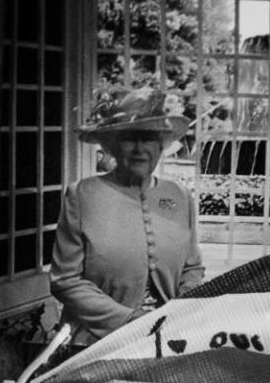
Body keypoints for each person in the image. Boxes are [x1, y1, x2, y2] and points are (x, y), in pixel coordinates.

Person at [50, 89, 204, 346]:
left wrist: (179, 311)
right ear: (112, 144)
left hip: (169, 337)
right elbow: (65, 280)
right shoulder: (84, 194)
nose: (139, 148)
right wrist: (130, 320)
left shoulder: (179, 196)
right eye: (129, 139)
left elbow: (192, 268)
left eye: (148, 139)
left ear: (160, 145)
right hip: (96, 339)